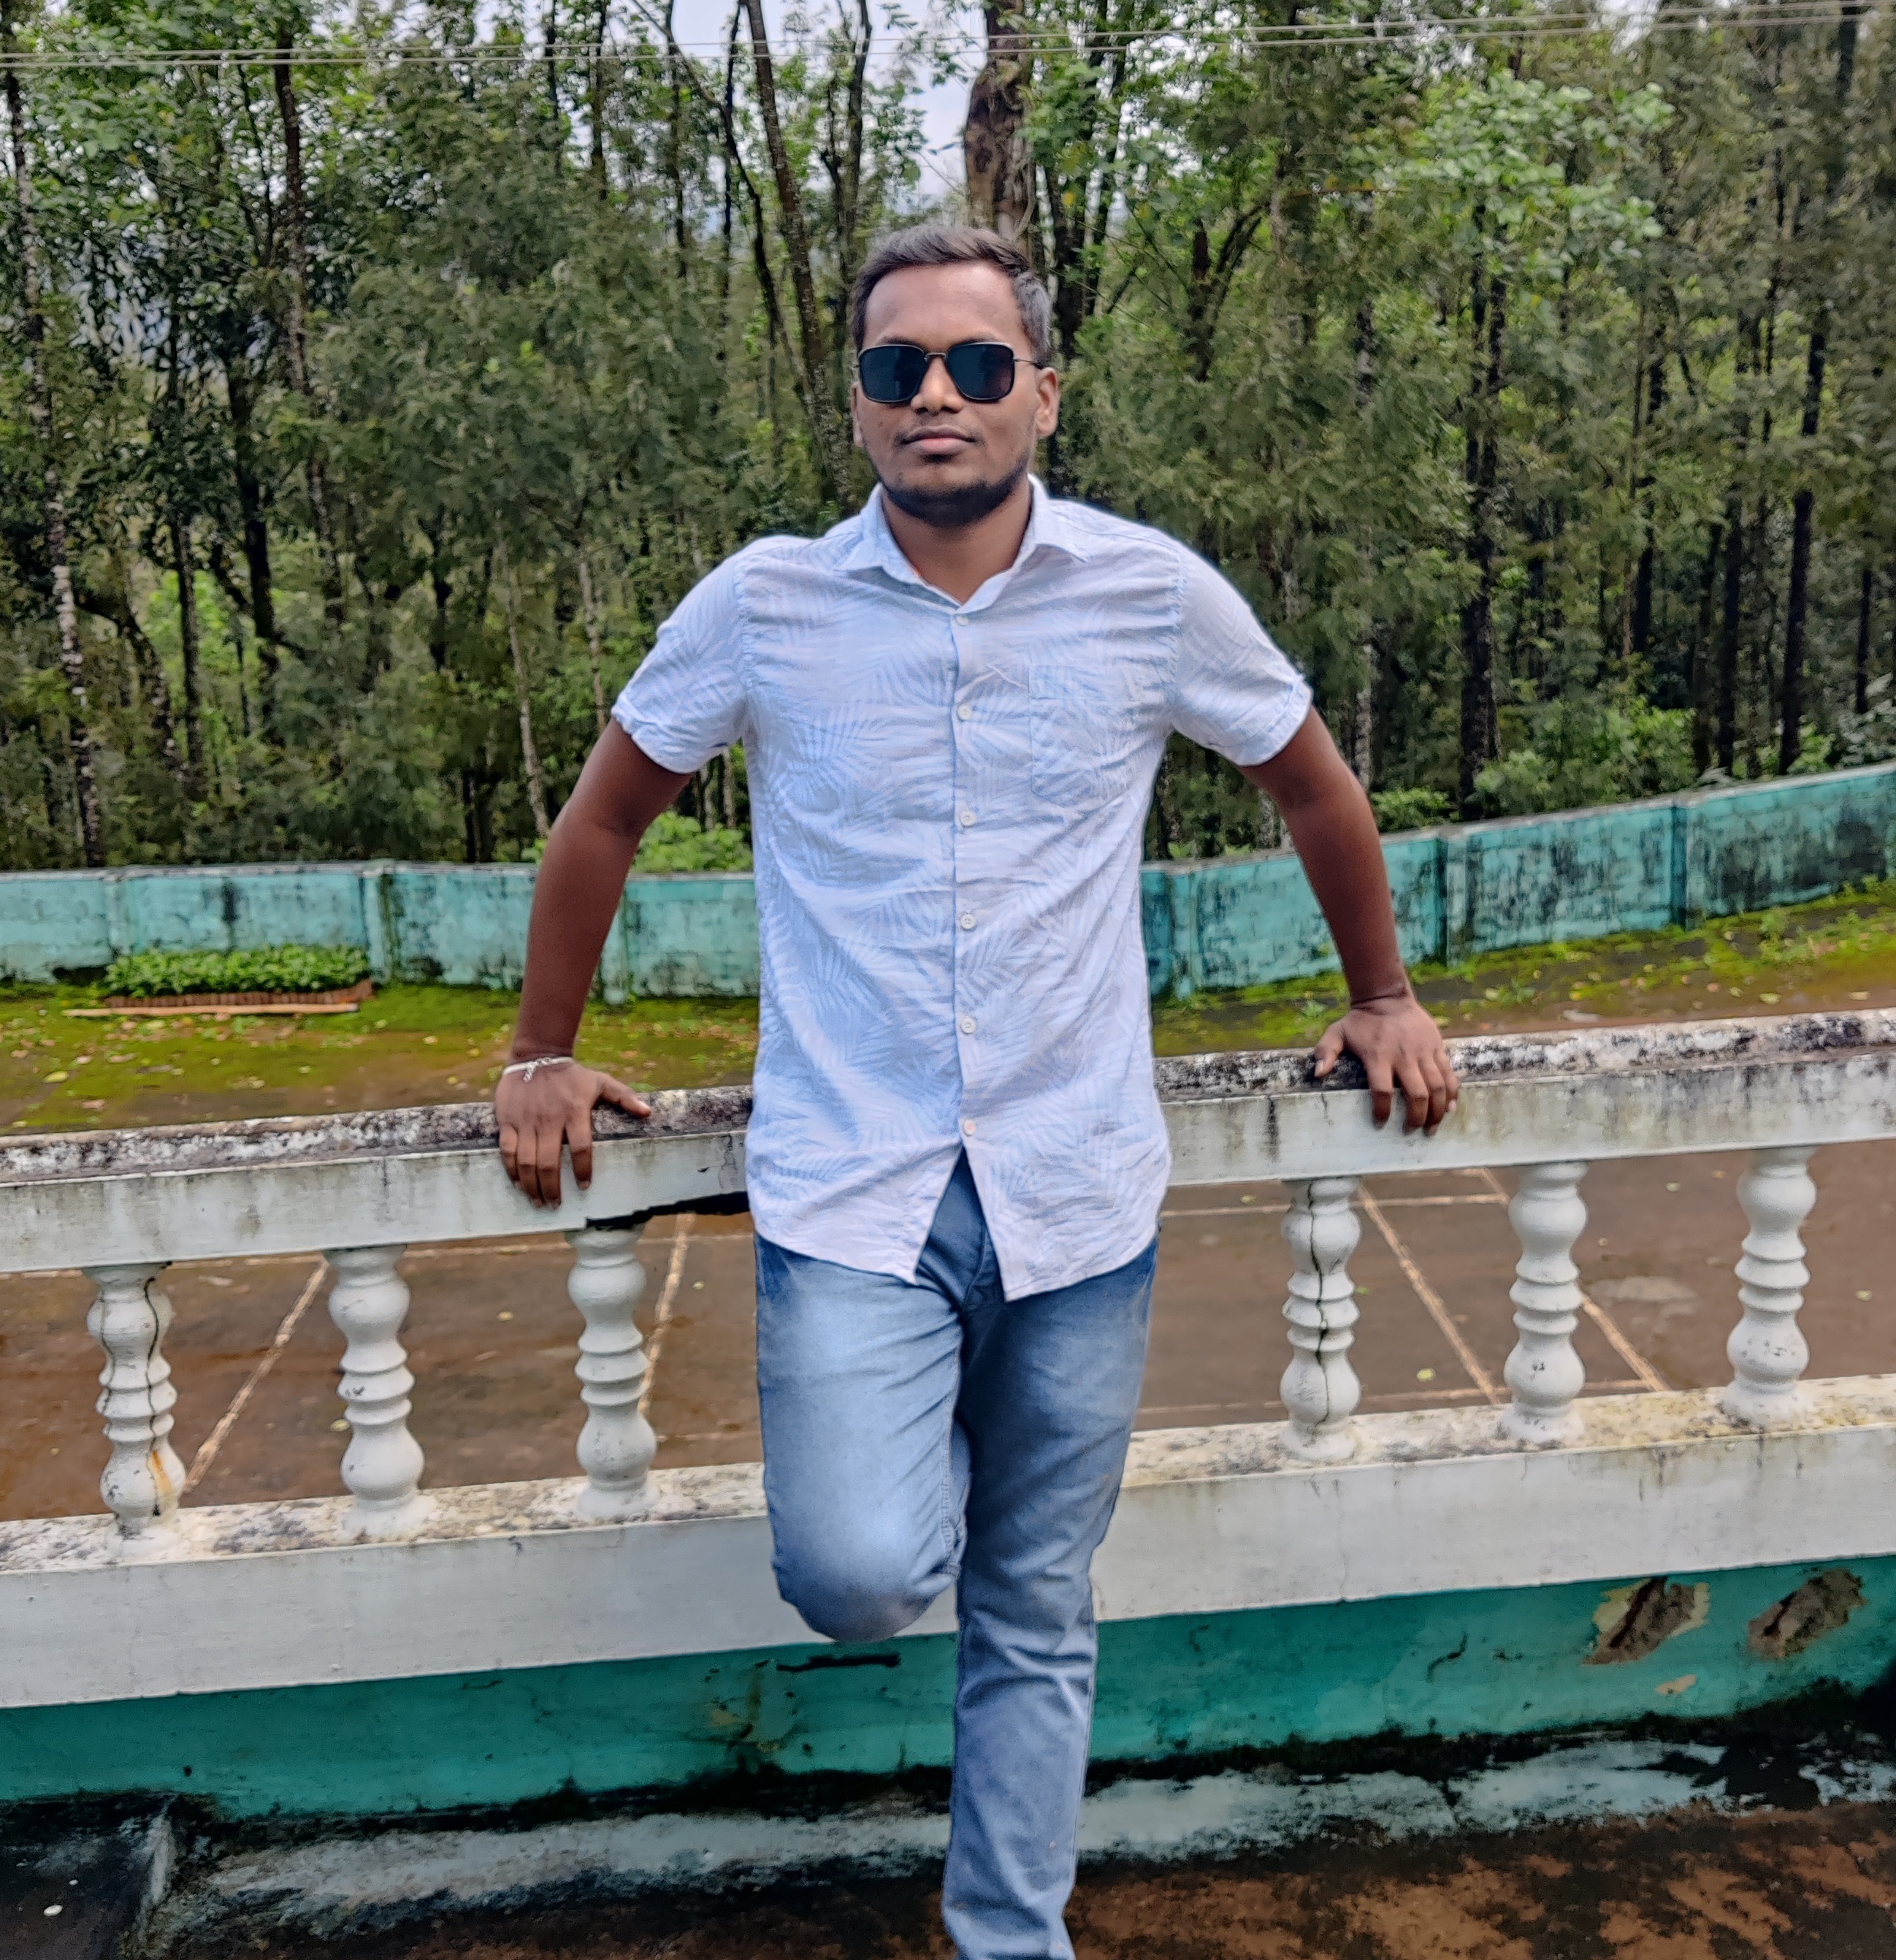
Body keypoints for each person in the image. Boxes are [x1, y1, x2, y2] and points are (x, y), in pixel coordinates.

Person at [494, 221, 1458, 1959]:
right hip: (854, 1191)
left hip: (1076, 1188)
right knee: (861, 1570)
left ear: (1043, 394)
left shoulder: (1151, 595)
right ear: (861, 402)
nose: (935, 395)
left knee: (1036, 1601)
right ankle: (913, 1424)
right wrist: (540, 1051)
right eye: (897, 367)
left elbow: (1312, 786)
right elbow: (607, 815)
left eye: (975, 364)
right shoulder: (764, 606)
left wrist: (1381, 995)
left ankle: (1011, 1937)